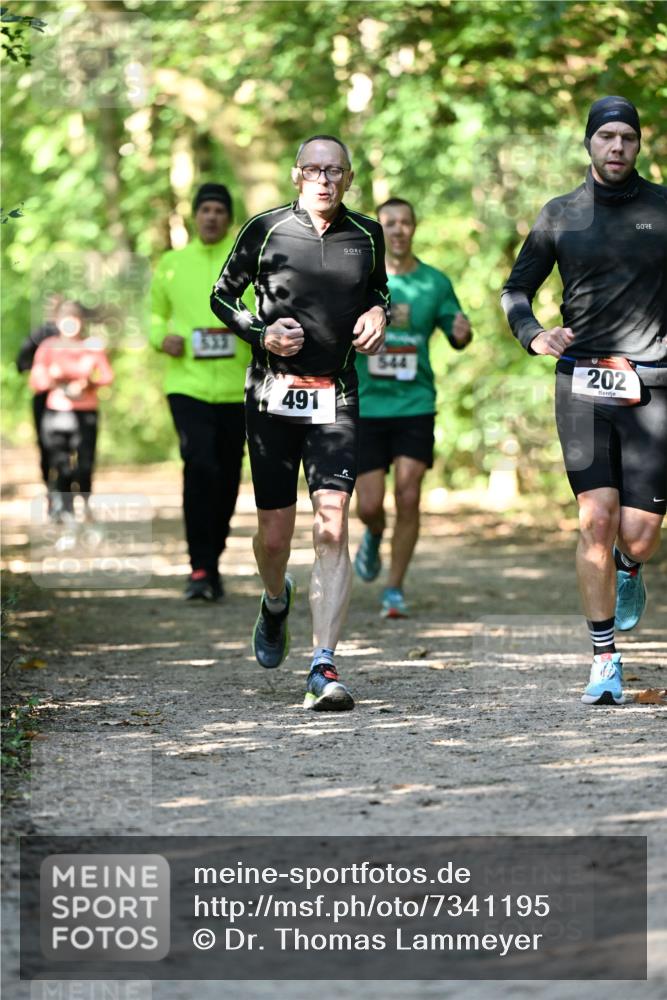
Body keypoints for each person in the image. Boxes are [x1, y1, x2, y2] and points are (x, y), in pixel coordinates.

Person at [210, 135, 390, 711]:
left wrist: (377, 312)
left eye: (335, 171)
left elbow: (379, 289)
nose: (324, 179)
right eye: (314, 168)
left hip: (335, 395)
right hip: (271, 394)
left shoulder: (365, 234)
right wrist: (259, 333)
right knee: (275, 535)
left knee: (333, 525)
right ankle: (274, 598)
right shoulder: (263, 230)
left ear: (349, 178)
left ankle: (323, 664)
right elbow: (220, 296)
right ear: (296, 175)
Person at [501, 96, 666, 706]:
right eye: (606, 137)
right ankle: (604, 660)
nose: (616, 146)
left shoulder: (663, 208)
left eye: (627, 137)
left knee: (641, 534)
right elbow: (516, 289)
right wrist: (534, 333)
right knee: (595, 517)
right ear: (589, 143)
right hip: (582, 383)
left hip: (655, 385)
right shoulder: (560, 214)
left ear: (639, 145)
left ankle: (630, 568)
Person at [353, 198, 472, 618]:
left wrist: (460, 332)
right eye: (390, 223)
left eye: (405, 223)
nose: (398, 230)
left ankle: (394, 589)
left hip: (415, 404)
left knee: (408, 494)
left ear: (415, 228)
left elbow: (456, 330)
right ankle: (372, 532)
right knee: (368, 505)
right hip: (366, 407)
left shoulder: (434, 282)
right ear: (378, 230)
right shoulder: (358, 280)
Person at [150, 182, 252, 601]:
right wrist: (162, 337)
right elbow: (155, 314)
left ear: (228, 218)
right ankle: (199, 566)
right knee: (199, 463)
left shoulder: (246, 263)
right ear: (195, 216)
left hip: (236, 387)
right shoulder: (172, 263)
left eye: (219, 210)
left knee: (228, 472)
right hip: (186, 384)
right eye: (205, 209)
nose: (211, 216)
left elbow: (265, 311)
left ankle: (214, 559)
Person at [29, 300, 114, 521]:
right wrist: (54, 379)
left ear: (82, 320)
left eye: (75, 316)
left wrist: (88, 384)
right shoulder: (48, 346)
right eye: (65, 317)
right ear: (57, 321)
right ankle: (63, 511)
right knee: (61, 464)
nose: (71, 322)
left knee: (85, 464)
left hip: (86, 413)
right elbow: (36, 380)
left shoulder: (92, 346)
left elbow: (106, 376)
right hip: (56, 413)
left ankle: (84, 503)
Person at [16, 297, 61, 489]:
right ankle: (50, 487)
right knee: (46, 444)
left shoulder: (77, 334)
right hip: (44, 396)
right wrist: (43, 373)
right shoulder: (40, 334)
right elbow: (21, 362)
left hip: (75, 399)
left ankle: (64, 490)